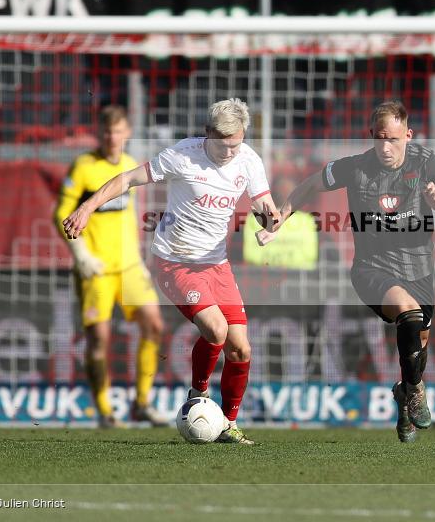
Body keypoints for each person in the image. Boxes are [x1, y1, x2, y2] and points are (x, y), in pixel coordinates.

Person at [63, 98, 280, 444]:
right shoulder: (182, 155)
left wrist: (270, 218)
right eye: (223, 143)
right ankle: (198, 395)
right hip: (175, 261)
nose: (229, 151)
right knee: (217, 329)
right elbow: (128, 179)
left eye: (236, 143)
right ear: (208, 133)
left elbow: (263, 205)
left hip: (217, 264)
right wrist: (87, 207)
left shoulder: (248, 159)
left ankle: (229, 424)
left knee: (241, 349)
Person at [259, 100, 435, 442]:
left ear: (409, 135)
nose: (386, 147)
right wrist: (282, 215)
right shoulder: (356, 167)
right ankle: (416, 389)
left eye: (394, 139)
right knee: (410, 314)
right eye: (379, 138)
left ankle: (405, 395)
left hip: (420, 270)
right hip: (371, 269)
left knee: (418, 341)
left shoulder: (427, 163)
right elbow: (312, 183)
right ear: (371, 136)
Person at [54, 105, 168, 429]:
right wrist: (80, 253)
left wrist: (142, 260)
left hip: (130, 266)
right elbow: (60, 212)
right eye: (106, 132)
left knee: (154, 325)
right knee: (99, 339)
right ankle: (105, 411)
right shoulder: (84, 168)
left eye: (117, 131)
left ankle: (142, 403)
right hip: (97, 268)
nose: (112, 137)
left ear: (127, 133)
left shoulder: (131, 165)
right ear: (99, 134)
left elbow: (129, 219)